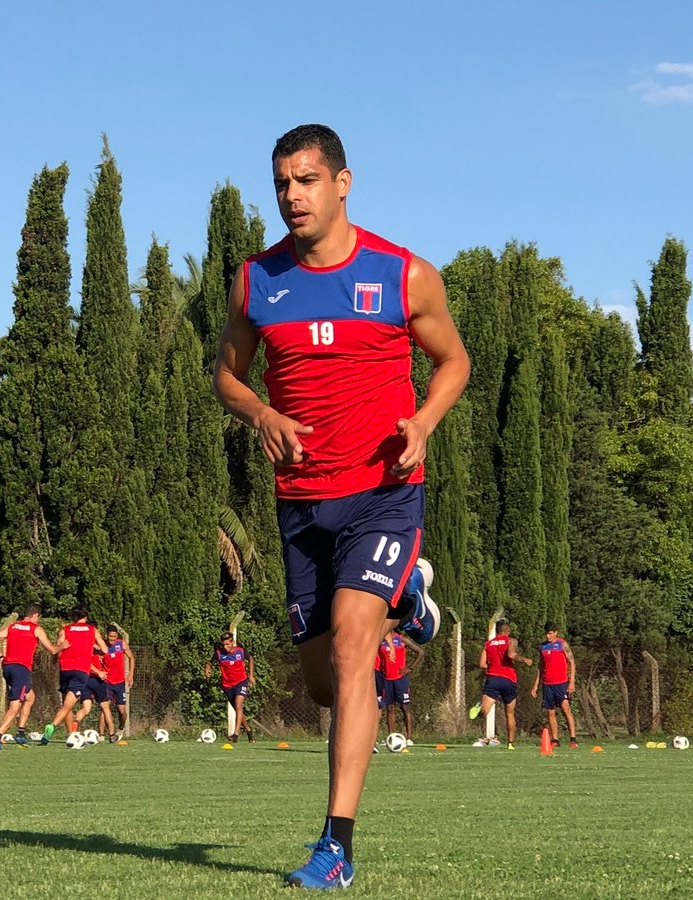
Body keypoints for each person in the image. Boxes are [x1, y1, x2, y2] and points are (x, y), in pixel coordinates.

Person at [213, 122, 469, 889]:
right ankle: (409, 599)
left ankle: (336, 845)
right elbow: (226, 375)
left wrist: (424, 421)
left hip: (383, 496)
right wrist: (261, 413)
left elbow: (454, 361)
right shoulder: (257, 281)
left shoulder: (403, 275)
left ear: (342, 183)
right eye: (281, 183)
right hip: (302, 506)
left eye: (306, 180)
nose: (292, 195)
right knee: (325, 683)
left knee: (357, 652)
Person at [0, 605, 65, 749]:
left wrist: (0, 656)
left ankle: (21, 733)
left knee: (30, 697)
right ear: (35, 615)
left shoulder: (13, 626)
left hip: (8, 667)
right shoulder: (36, 629)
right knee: (15, 705)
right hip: (21, 669)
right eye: (38, 618)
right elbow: (52, 649)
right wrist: (62, 646)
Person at [43, 608, 107, 741]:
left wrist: (57, 659)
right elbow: (105, 649)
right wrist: (95, 647)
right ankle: (52, 725)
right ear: (86, 617)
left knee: (66, 703)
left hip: (65, 669)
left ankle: (70, 734)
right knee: (68, 705)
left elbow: (58, 649)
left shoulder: (64, 630)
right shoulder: (92, 630)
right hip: (80, 670)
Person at [473, 619, 533, 750]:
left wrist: (493, 666)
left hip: (493, 679)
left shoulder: (488, 644)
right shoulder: (511, 641)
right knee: (509, 713)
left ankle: (480, 708)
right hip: (508, 679)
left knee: (484, 712)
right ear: (508, 631)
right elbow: (511, 654)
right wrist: (524, 660)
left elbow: (482, 664)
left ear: (497, 631)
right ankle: (510, 743)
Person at [530, 622, 577, 749]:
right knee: (550, 712)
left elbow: (572, 662)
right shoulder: (542, 647)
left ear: (556, 633)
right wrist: (536, 685)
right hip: (547, 684)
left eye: (550, 633)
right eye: (546, 633)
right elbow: (541, 666)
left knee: (566, 709)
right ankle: (555, 739)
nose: (548, 636)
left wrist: (571, 682)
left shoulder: (562, 644)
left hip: (561, 683)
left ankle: (573, 739)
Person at [204, 632, 256, 743]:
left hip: (241, 682)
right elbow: (209, 663)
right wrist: (207, 669)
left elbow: (251, 659)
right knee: (238, 710)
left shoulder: (240, 651)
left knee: (238, 705)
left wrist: (251, 676)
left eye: (227, 644)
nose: (225, 647)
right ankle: (248, 730)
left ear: (233, 642)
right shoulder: (219, 653)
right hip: (227, 686)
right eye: (223, 644)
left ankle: (236, 734)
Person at [378, 628, 424, 746]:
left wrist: (410, 668)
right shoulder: (380, 641)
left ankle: (409, 737)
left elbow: (420, 652)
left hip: (400, 679)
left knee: (405, 707)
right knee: (390, 708)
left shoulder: (402, 639)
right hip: (386, 679)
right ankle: (391, 736)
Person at [102, 624, 135, 743]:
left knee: (122, 711)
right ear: (106, 635)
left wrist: (130, 674)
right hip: (107, 682)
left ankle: (121, 728)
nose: (112, 639)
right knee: (105, 708)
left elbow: (132, 658)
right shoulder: (102, 645)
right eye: (110, 636)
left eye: (114, 636)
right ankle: (103, 735)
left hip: (120, 682)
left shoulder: (122, 644)